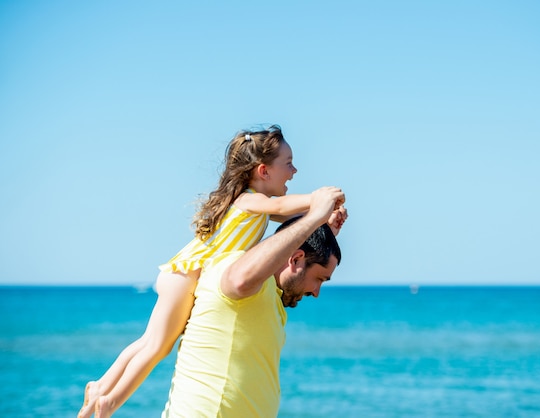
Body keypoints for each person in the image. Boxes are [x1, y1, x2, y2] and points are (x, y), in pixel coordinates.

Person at [78, 125, 347, 418]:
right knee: (157, 345)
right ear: (263, 171)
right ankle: (110, 402)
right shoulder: (249, 200)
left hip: (183, 273)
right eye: (288, 163)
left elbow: (289, 218)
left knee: (149, 341)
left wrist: (324, 222)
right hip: (186, 273)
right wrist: (319, 199)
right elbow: (284, 206)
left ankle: (101, 387)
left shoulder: (255, 205)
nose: (294, 171)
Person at [161, 186, 346, 418]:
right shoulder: (239, 272)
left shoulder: (271, 295)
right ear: (296, 258)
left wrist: (321, 231)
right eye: (319, 279)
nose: (317, 292)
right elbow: (242, 279)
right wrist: (314, 217)